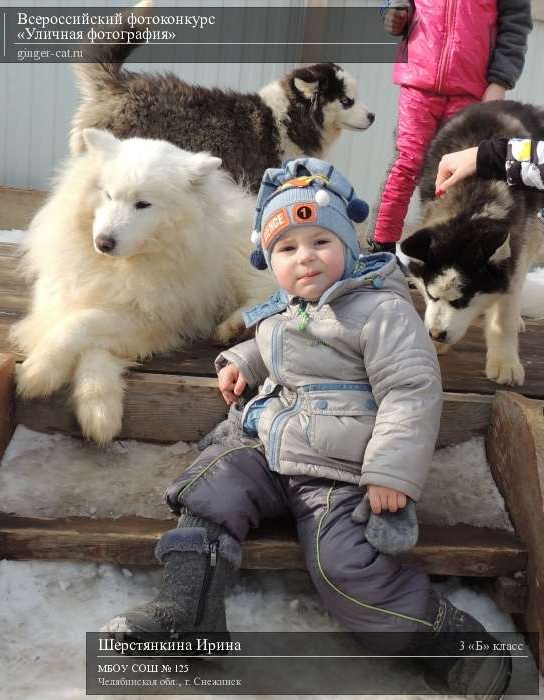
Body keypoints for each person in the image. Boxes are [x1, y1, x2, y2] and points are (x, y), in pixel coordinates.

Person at [105, 159, 511, 697]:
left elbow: (410, 391)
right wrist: (243, 364)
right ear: (270, 261)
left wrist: (391, 471)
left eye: (321, 240)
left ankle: (447, 640)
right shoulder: (286, 309)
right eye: (288, 249)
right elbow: (277, 343)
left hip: (338, 469)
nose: (306, 258)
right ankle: (189, 613)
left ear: (349, 243)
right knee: (209, 490)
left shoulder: (380, 312)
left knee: (345, 567)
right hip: (271, 446)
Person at [367, 0, 532, 254]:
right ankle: (379, 249)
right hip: (419, 79)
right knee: (407, 162)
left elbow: (515, 25)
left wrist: (500, 81)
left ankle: (437, 255)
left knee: (455, 174)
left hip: (471, 88)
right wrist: (395, 11)